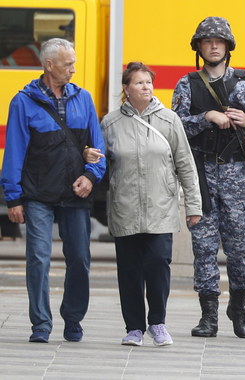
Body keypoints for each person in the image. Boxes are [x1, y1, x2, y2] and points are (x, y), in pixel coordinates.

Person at [0, 38, 106, 343]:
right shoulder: (23, 101)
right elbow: (15, 152)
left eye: (73, 62)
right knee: (38, 258)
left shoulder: (83, 99)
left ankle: (72, 319)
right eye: (68, 64)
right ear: (49, 65)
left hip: (76, 193)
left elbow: (97, 147)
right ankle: (41, 325)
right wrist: (13, 197)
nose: (74, 69)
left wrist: (90, 176)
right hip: (37, 195)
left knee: (79, 259)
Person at [172, 16, 245, 339]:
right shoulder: (187, 84)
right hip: (201, 175)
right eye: (207, 41)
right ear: (199, 47)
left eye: (219, 41)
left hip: (237, 177)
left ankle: (238, 309)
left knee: (241, 249)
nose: (213, 46)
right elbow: (176, 126)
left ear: (228, 47)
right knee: (204, 247)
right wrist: (206, 117)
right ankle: (208, 314)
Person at [100, 62, 202, 347]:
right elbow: (101, 165)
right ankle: (134, 328)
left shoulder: (169, 120)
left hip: (161, 206)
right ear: (126, 88)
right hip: (125, 206)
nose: (146, 87)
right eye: (139, 83)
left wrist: (194, 206)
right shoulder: (110, 123)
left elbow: (186, 164)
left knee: (158, 264)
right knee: (129, 269)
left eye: (149, 82)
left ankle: (157, 322)